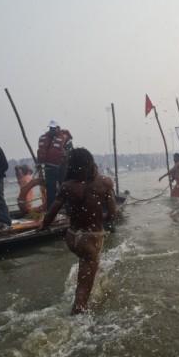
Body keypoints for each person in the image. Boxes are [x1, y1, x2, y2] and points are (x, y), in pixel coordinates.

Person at [41, 148, 117, 315]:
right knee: (82, 295)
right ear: (91, 163)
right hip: (91, 238)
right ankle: (78, 318)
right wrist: (100, 219)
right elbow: (113, 214)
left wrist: (44, 226)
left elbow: (52, 211)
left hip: (73, 237)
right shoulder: (105, 183)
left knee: (88, 263)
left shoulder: (67, 186)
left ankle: (90, 283)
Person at [37, 120, 73, 208]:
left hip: (51, 167)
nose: (52, 130)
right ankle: (66, 208)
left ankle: (52, 209)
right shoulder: (64, 137)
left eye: (53, 128)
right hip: (58, 167)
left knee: (52, 189)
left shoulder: (44, 138)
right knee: (61, 188)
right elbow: (70, 152)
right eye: (51, 128)